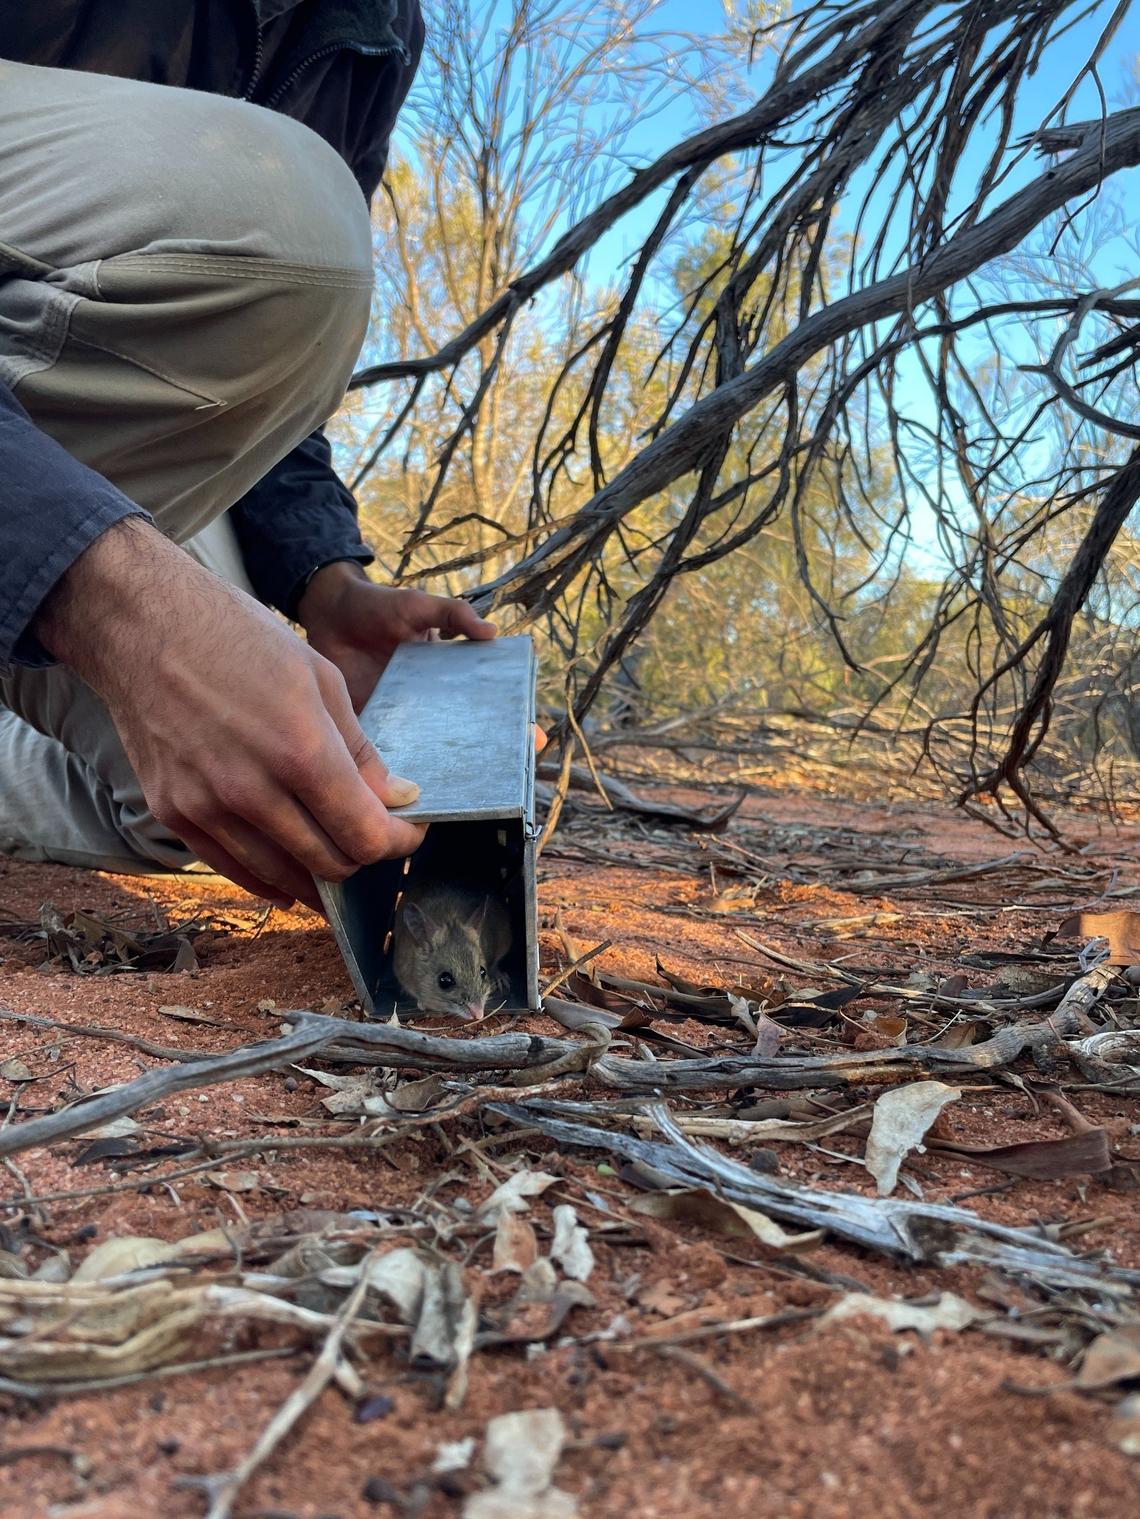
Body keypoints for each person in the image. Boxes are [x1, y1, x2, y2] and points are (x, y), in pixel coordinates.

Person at [0, 0, 491, 914]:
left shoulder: (380, 28)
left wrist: (326, 583)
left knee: (228, 801)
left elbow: (241, 351)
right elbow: (271, 265)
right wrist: (108, 602)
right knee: (286, 216)